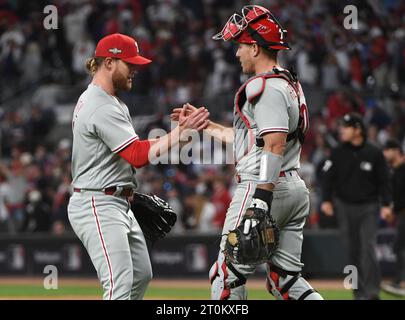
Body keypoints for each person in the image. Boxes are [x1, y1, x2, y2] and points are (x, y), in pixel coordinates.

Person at [172, 5, 322, 300]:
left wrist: (261, 202)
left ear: (255, 47)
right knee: (286, 282)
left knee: (225, 277)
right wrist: (208, 127)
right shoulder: (289, 83)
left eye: (240, 45)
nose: (236, 53)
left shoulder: (264, 87)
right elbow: (256, 141)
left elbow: (274, 144)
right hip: (292, 188)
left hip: (263, 187)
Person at [67, 33, 209, 300]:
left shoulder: (110, 101)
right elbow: (136, 154)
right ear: (108, 62)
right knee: (118, 286)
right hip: (98, 202)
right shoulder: (99, 105)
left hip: (117, 200)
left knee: (141, 276)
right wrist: (181, 132)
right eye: (129, 63)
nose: (134, 70)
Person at [321, 112, 392, 300]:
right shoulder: (337, 152)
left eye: (346, 127)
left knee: (367, 248)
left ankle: (373, 292)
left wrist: (386, 204)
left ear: (358, 130)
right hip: (344, 206)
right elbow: (327, 179)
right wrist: (326, 200)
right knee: (351, 251)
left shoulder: (374, 152)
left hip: (368, 206)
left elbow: (384, 181)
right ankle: (358, 292)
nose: (341, 131)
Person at [382, 139, 405, 297]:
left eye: (387, 150)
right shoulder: (395, 170)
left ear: (396, 150)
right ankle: (400, 280)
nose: (385, 154)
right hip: (401, 214)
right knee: (399, 247)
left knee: (399, 247)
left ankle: (402, 282)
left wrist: (392, 210)